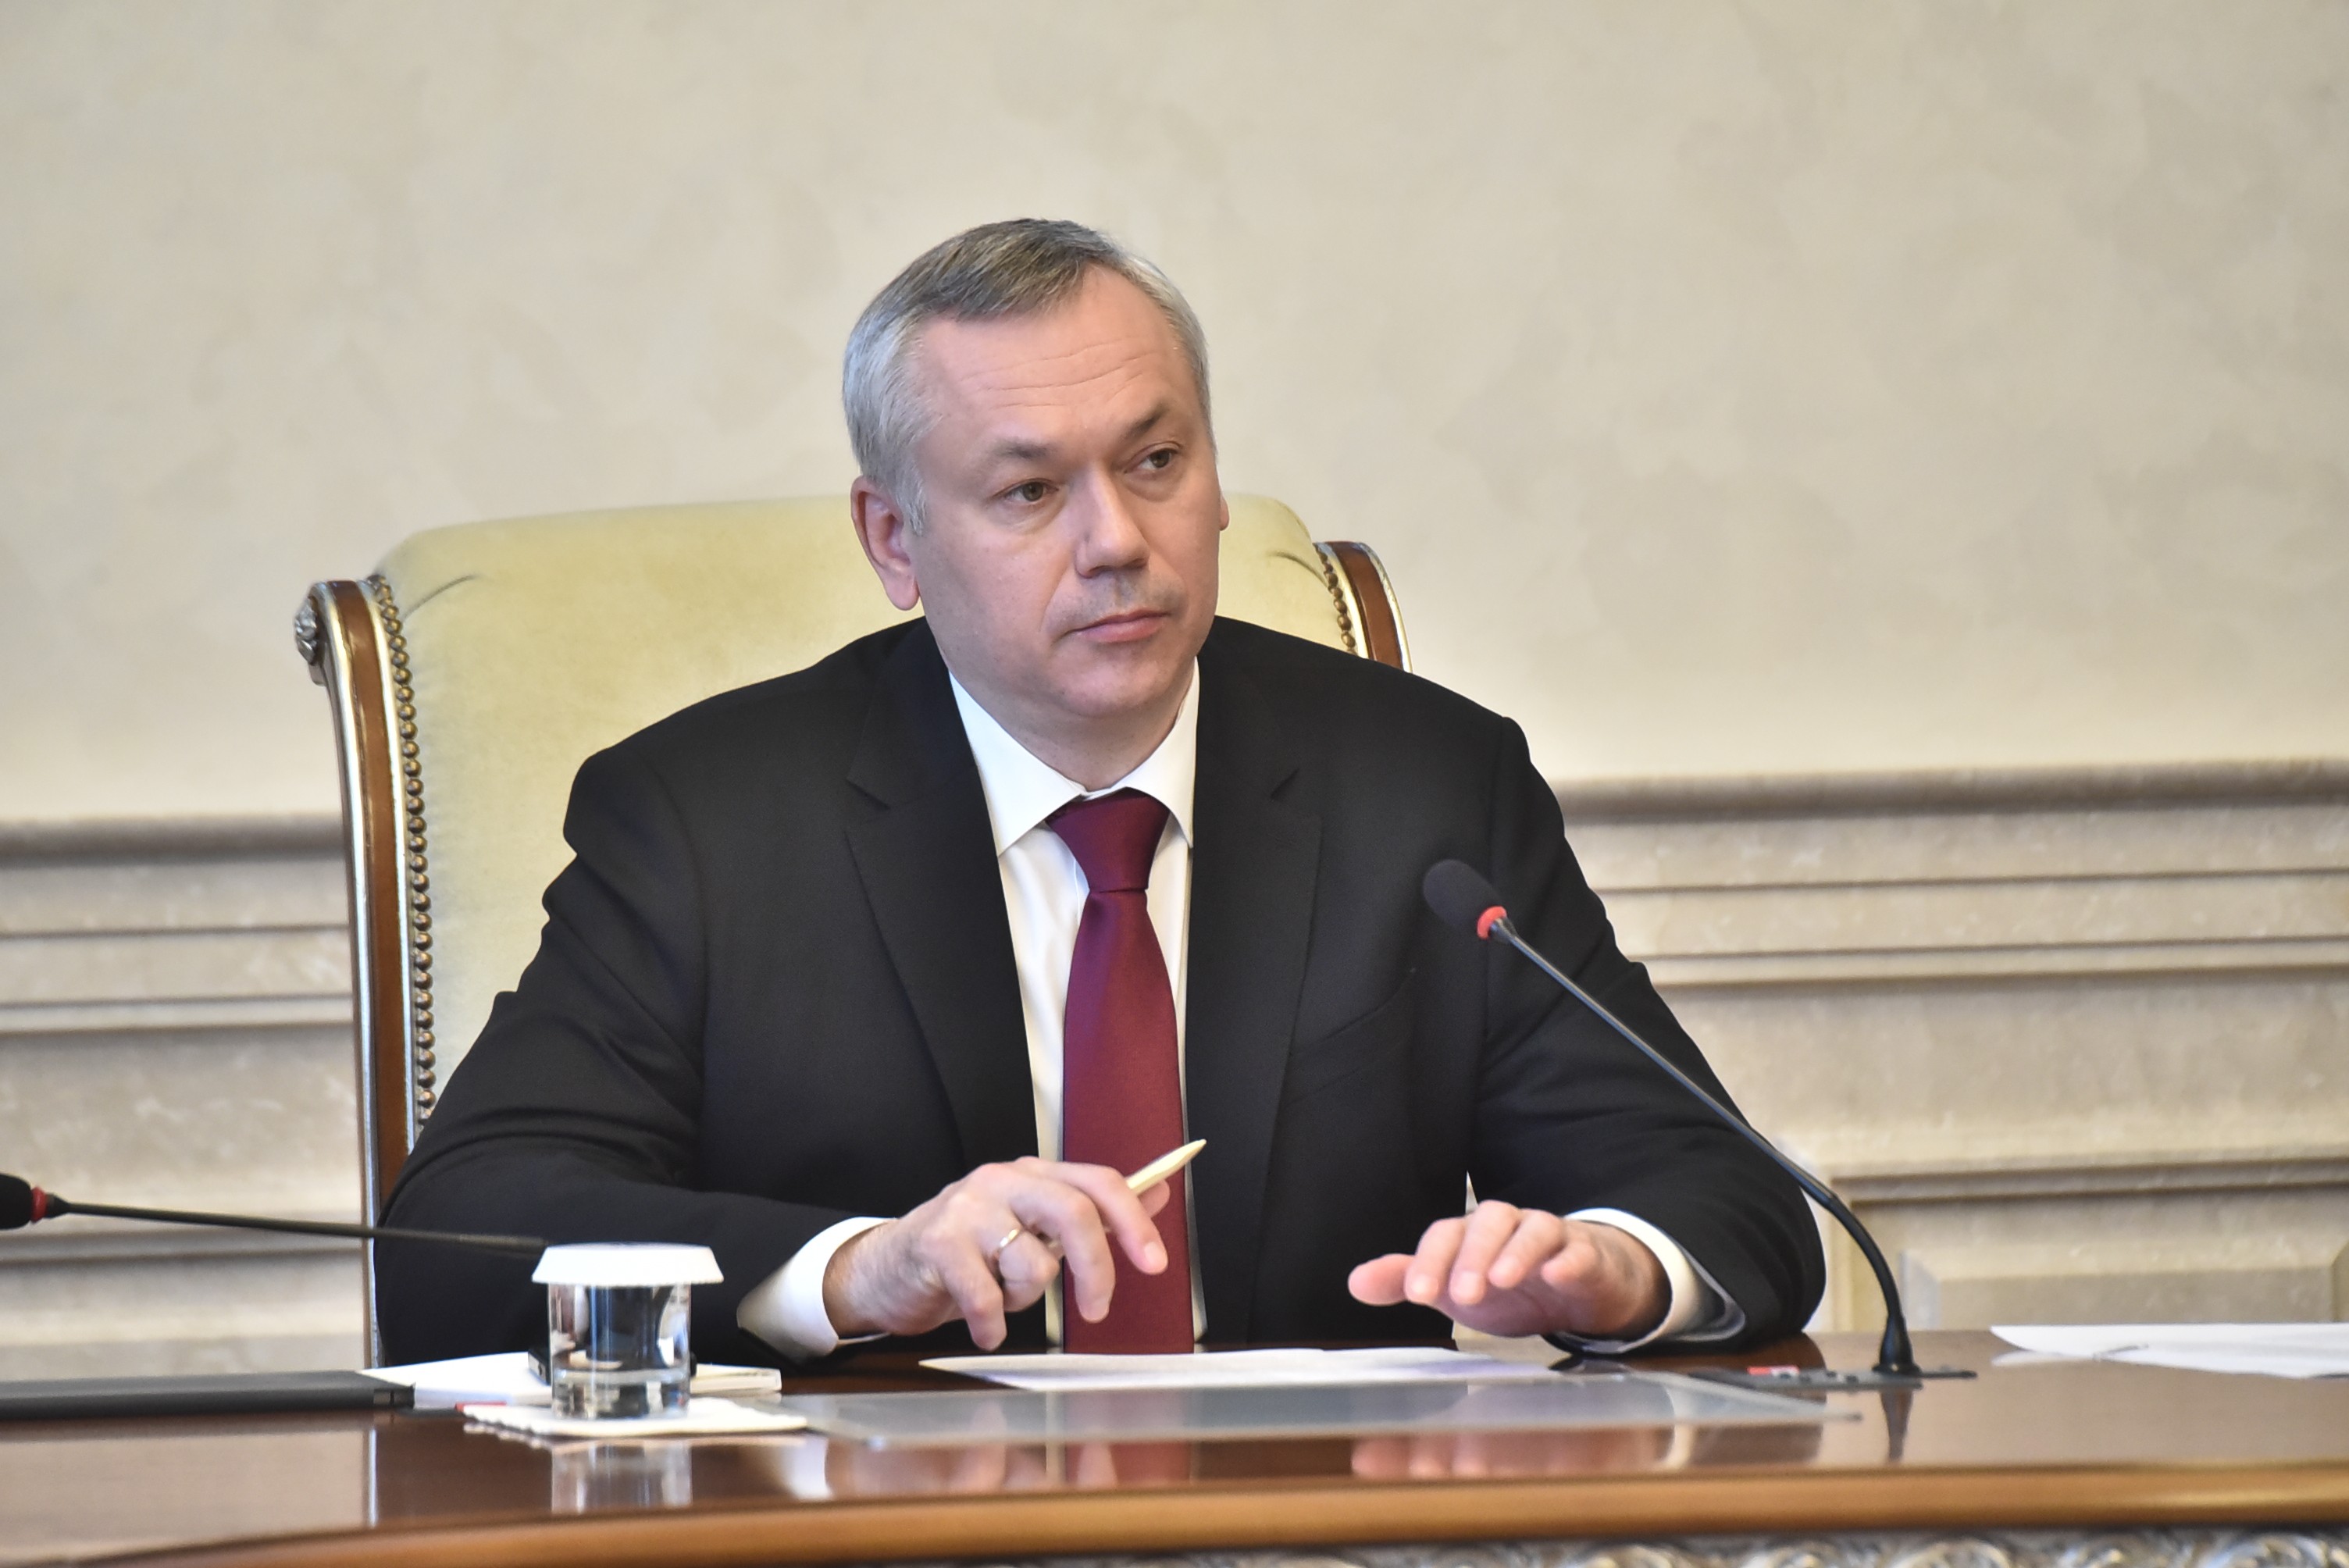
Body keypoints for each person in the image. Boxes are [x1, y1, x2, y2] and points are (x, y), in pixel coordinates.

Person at [377, 220, 1823, 1366]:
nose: (1117, 539)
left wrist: (1611, 1269)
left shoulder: (1427, 789)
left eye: (1156, 461)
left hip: (1314, 1529)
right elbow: (456, 1244)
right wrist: (858, 1272)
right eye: (1028, 492)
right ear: (894, 540)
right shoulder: (709, 822)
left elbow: (1732, 1200)